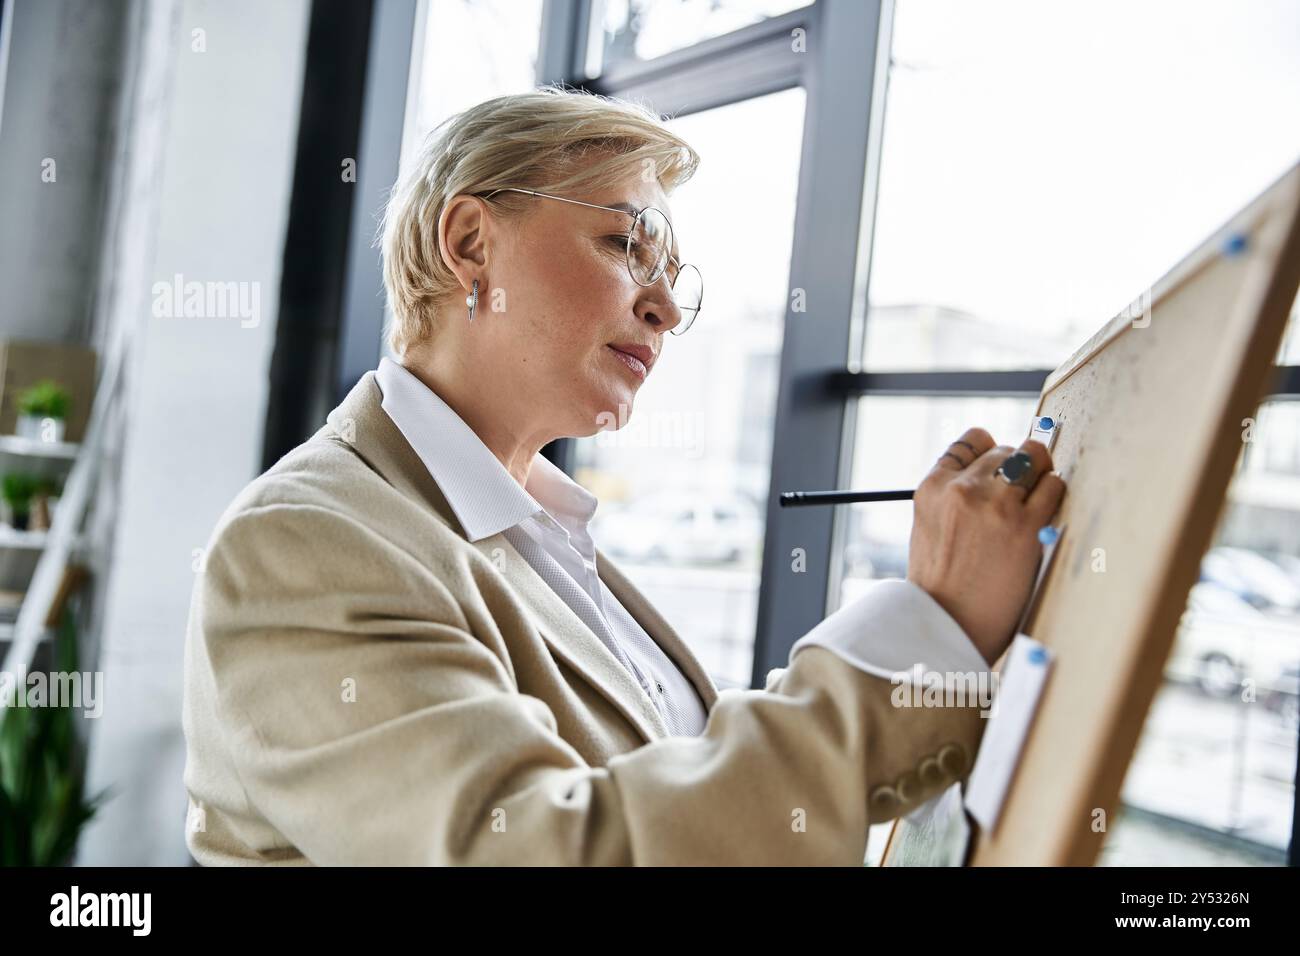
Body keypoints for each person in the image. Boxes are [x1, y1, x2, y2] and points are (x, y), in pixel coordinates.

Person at [181, 87, 1065, 865]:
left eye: (674, 277)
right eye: (625, 244)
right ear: (469, 242)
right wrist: (925, 629)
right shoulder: (306, 543)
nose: (667, 307)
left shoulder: (545, 540)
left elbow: (673, 794)